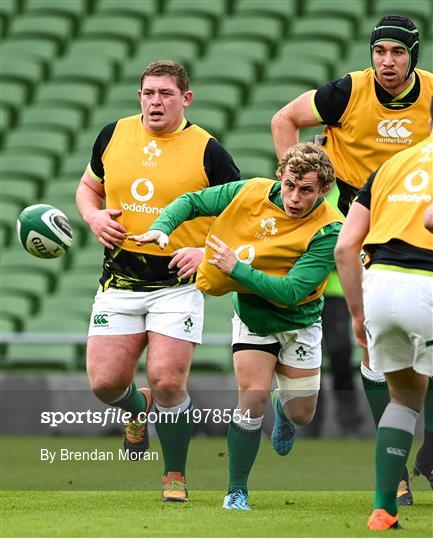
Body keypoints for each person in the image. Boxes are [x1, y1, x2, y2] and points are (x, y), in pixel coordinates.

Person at [271, 14, 433, 503]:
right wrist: (304, 189)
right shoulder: (346, 92)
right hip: (360, 227)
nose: (387, 61)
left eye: (398, 52)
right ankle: (397, 471)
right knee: (374, 354)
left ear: (414, 56)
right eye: (380, 51)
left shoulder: (431, 93)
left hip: (414, 229)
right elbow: (284, 119)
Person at [129, 143, 342, 510]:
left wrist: (235, 268)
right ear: (281, 176)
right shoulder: (250, 191)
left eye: (306, 190)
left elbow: (290, 292)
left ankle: (285, 408)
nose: (294, 197)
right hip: (253, 318)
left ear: (323, 190)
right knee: (252, 397)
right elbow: (194, 201)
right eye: (290, 184)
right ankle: (237, 490)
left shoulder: (329, 229)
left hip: (299, 322)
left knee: (301, 414)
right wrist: (162, 227)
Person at [75, 60, 240, 502]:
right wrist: (92, 216)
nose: (155, 101)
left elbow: (245, 214)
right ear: (139, 96)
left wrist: (205, 251)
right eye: (148, 92)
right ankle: (135, 408)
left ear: (186, 98)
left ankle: (174, 474)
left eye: (166, 93)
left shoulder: (209, 151)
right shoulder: (113, 135)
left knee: (168, 381)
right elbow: (88, 187)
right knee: (105, 384)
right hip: (120, 280)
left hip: (177, 284)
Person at [334, 97, 433, 530]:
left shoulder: (391, 165)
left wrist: (358, 313)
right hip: (428, 283)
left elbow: (344, 247)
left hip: (381, 288)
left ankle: (384, 508)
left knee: (404, 400)